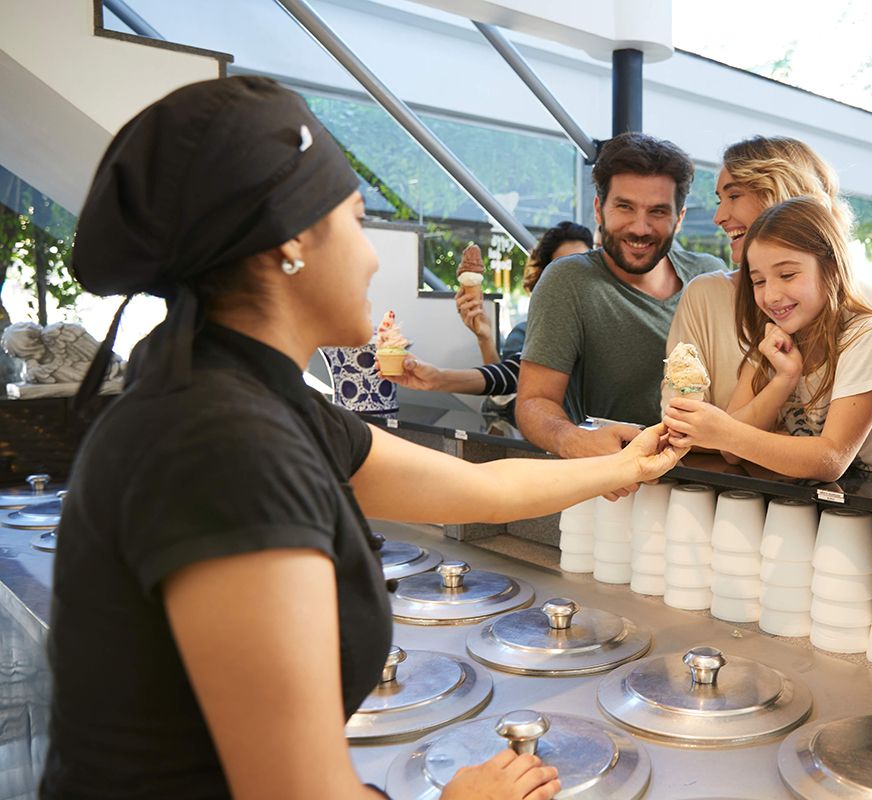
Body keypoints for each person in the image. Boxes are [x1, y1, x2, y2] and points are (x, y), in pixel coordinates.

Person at [43, 76, 685, 800]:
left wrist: (626, 463)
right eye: (355, 219)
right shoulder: (220, 445)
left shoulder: (252, 397)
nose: (375, 256)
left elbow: (480, 488)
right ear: (290, 241)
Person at [662, 197, 872, 479]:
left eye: (787, 275)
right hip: (826, 496)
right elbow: (732, 452)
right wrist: (784, 379)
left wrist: (722, 431)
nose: (771, 295)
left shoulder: (868, 337)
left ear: (832, 269)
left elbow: (831, 460)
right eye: (759, 281)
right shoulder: (774, 337)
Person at [517, 132, 724, 457]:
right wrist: (573, 440)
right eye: (625, 207)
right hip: (611, 484)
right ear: (599, 210)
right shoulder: (568, 281)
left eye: (657, 212)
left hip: (715, 486)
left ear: (679, 218)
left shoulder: (709, 276)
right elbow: (534, 402)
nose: (640, 227)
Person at [667, 136, 854, 410]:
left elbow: (844, 444)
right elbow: (680, 418)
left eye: (733, 196)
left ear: (780, 194)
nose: (717, 217)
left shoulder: (860, 309)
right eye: (758, 282)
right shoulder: (706, 295)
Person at [390, 222, 592, 396]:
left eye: (582, 268)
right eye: (562, 270)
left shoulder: (607, 325)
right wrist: (483, 340)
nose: (574, 280)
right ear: (544, 279)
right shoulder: (527, 334)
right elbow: (512, 380)